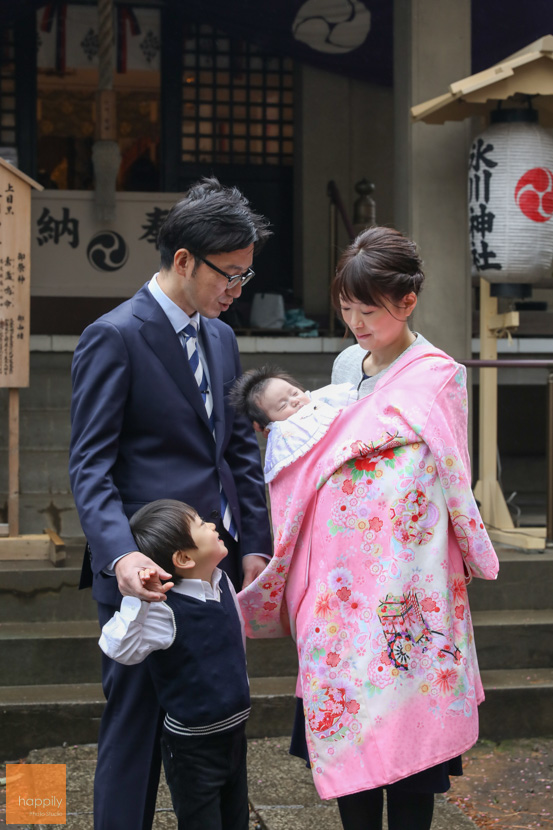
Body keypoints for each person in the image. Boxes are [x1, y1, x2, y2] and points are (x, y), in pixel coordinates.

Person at [238, 226, 499, 830]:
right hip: (338, 587)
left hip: (406, 584)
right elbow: (319, 454)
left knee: (410, 742)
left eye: (368, 310)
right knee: (350, 733)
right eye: (346, 308)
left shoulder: (437, 375)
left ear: (406, 303)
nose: (355, 322)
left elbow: (429, 483)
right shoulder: (345, 363)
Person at [69, 177, 273, 830]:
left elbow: (238, 449)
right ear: (183, 259)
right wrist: (122, 555)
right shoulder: (114, 336)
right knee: (134, 729)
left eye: (245, 275)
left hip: (210, 571)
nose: (236, 290)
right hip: (146, 574)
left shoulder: (218, 337)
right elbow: (90, 465)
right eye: (230, 274)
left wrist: (255, 545)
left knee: (215, 724)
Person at [99, 499, 250, 830]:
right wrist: (137, 601)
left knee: (236, 819)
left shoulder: (223, 582)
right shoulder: (166, 610)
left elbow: (234, 643)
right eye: (200, 524)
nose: (212, 525)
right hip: (193, 749)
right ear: (183, 558)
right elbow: (116, 647)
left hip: (235, 734)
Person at [229, 365, 357, 482]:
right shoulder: (282, 439)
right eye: (283, 405)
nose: (295, 401)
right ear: (267, 429)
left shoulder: (323, 400)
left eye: (295, 393)